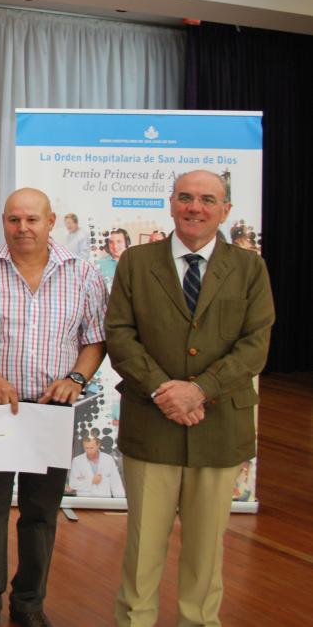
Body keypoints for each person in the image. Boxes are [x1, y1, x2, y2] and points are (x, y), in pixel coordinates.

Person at [108, 170, 274, 627]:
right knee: (142, 551)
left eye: (206, 199)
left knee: (206, 552)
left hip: (219, 427)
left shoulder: (249, 268)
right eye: (185, 197)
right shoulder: (137, 263)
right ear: (171, 203)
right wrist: (166, 390)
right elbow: (119, 336)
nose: (194, 207)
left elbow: (255, 345)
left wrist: (200, 389)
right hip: (151, 422)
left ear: (225, 210)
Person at [0, 188, 107, 627]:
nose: (23, 228)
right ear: (4, 221)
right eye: (14, 220)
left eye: (32, 220)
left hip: (52, 411)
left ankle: (30, 604)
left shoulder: (84, 275)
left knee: (40, 513)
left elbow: (95, 340)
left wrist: (76, 379)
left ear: (51, 221)